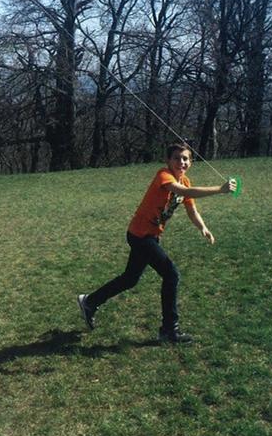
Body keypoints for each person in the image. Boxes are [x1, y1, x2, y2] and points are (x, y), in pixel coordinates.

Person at [77, 144, 237, 343]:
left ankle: (90, 301)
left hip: (150, 236)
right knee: (171, 274)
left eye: (186, 159)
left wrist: (203, 227)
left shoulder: (185, 180)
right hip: (140, 235)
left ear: (191, 162)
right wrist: (220, 190)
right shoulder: (164, 176)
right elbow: (185, 191)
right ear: (168, 161)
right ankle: (170, 330)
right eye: (177, 158)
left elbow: (191, 209)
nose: (182, 162)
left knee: (130, 279)